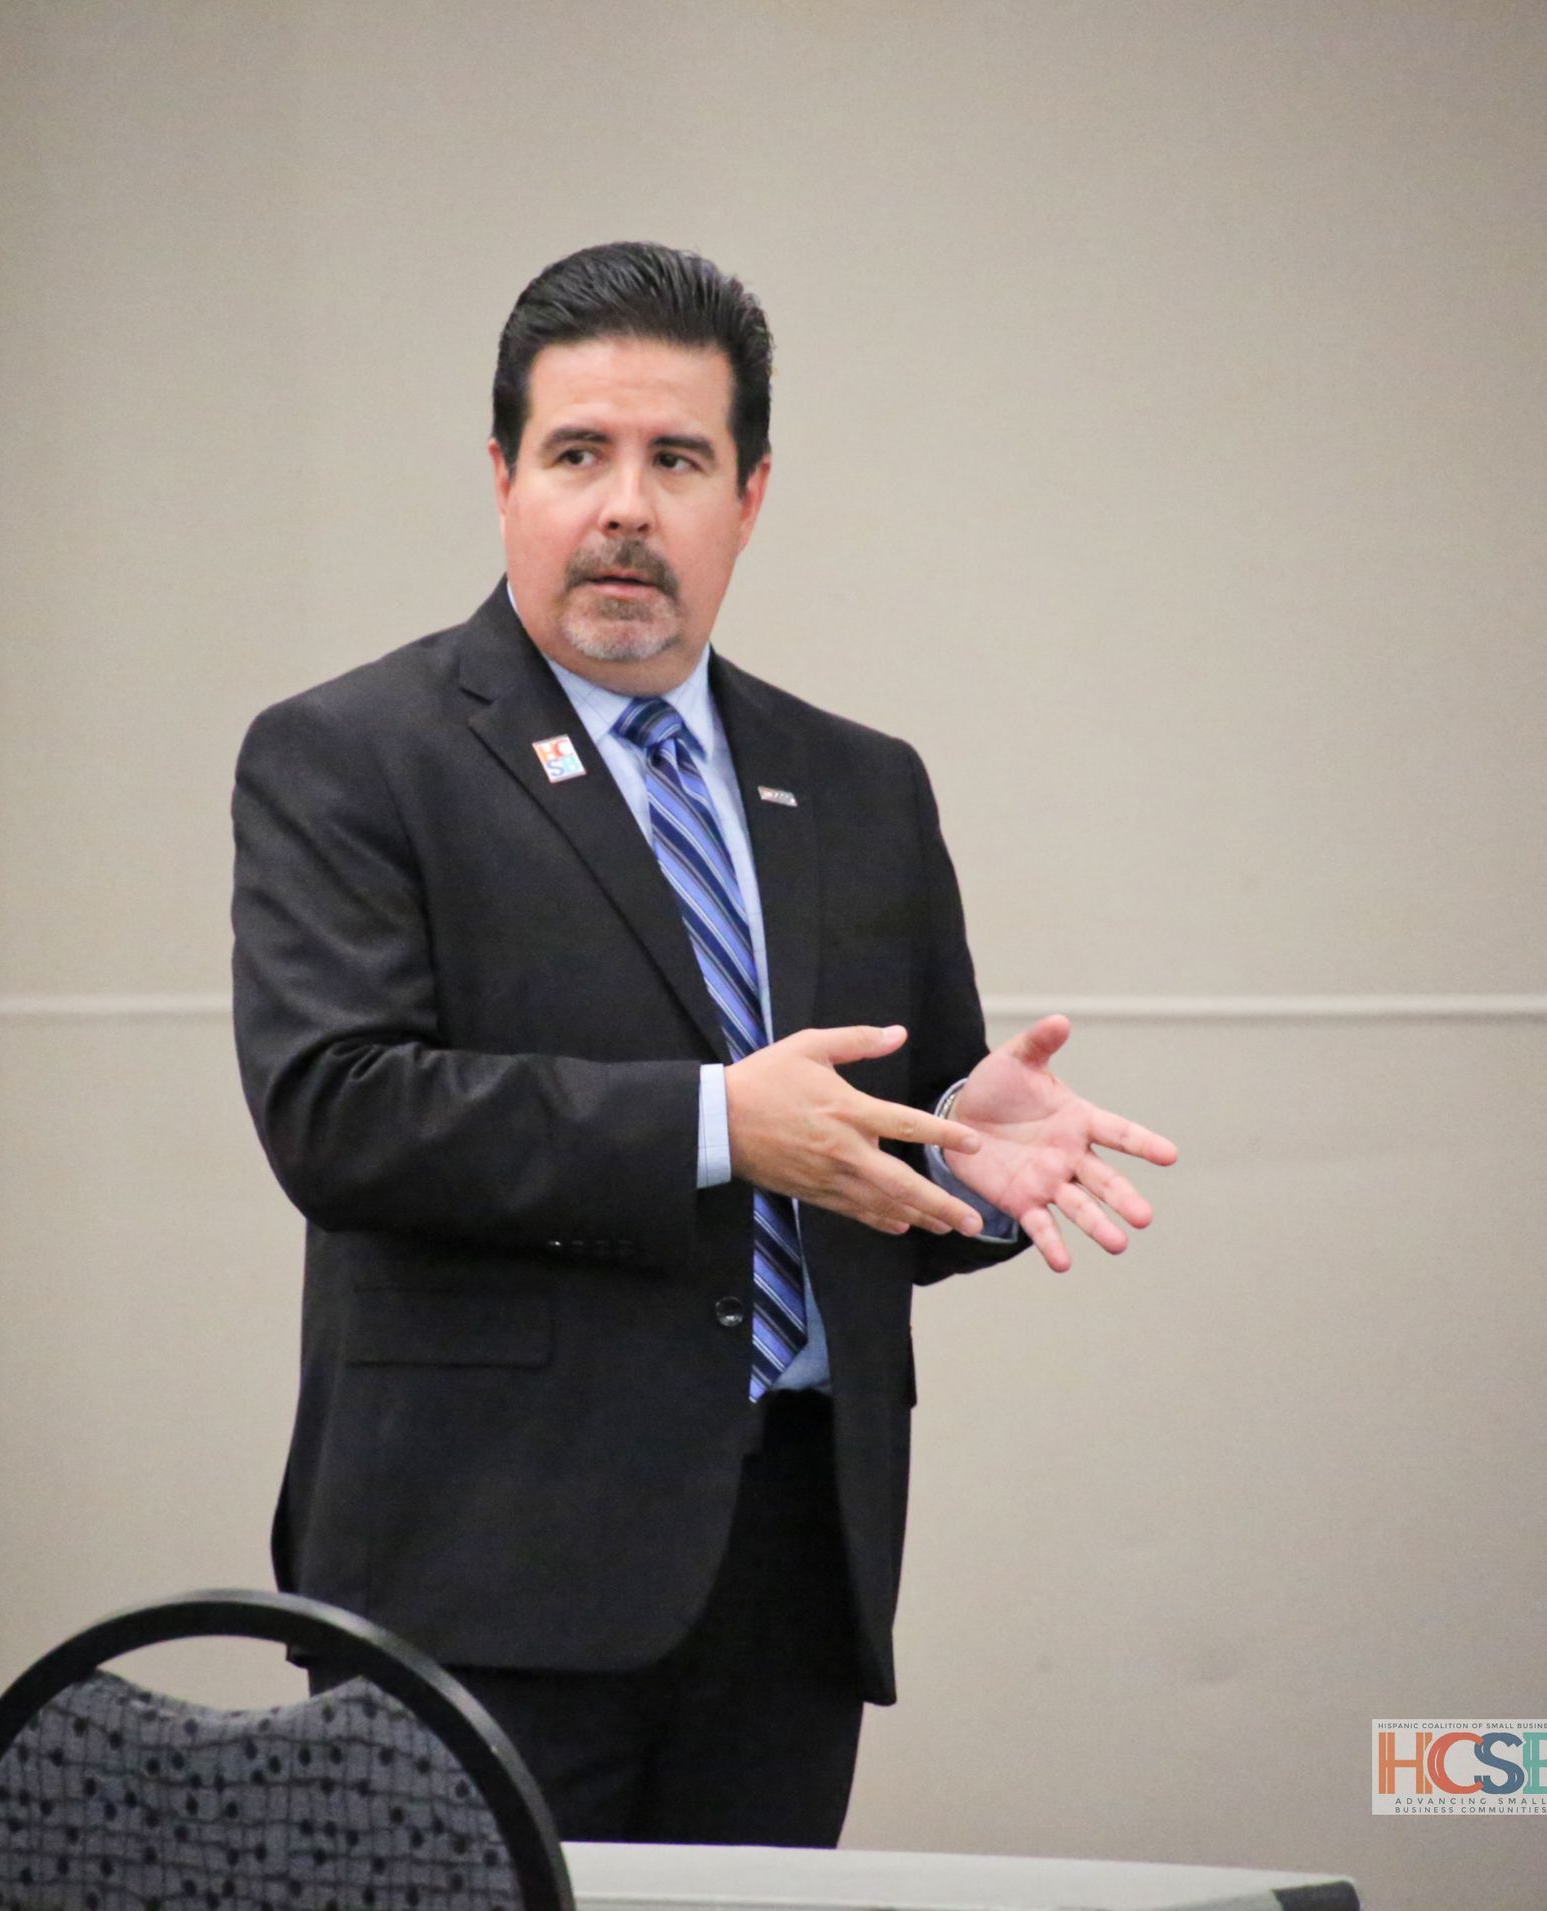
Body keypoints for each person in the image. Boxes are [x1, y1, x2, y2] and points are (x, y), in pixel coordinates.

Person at [230, 242, 1176, 1845]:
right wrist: (718, 1124)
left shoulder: (863, 785)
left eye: (676, 461)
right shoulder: (354, 757)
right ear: (502, 477)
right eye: (578, 454)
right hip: (480, 1580)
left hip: (790, 1574)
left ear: (748, 496)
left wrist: (971, 1148)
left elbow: (863, 1166)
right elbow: (337, 1112)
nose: (624, 507)